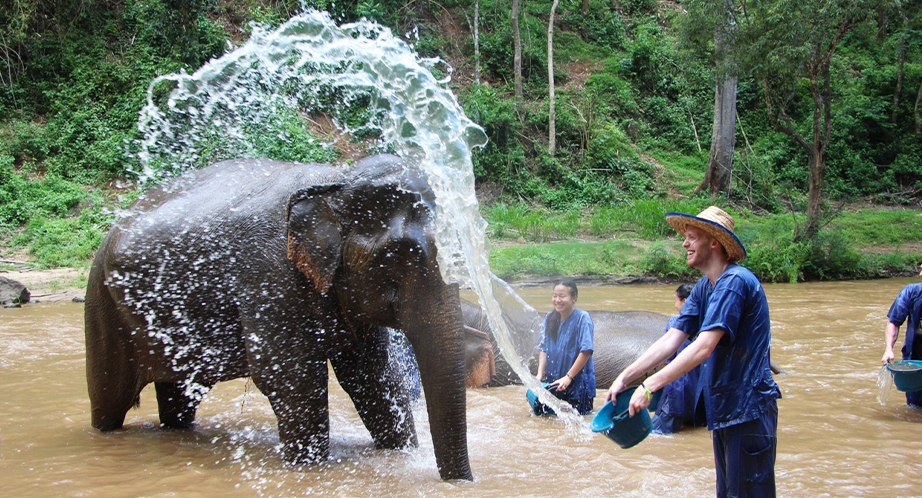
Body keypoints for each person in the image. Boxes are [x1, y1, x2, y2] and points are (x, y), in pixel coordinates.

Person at [605, 206, 781, 497]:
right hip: (725, 410)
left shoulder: (734, 282)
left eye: (691, 237)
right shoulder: (705, 287)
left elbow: (703, 347)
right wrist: (626, 377)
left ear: (714, 241)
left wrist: (649, 386)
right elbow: (672, 339)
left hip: (749, 410)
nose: (684, 244)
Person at [536, 280, 596, 415]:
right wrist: (539, 375)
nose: (557, 300)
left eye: (562, 296)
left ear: (574, 298)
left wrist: (569, 377)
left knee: (579, 423)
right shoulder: (550, 317)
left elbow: (586, 351)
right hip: (555, 384)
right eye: (554, 296)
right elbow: (543, 348)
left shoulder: (582, 318)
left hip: (578, 385)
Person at [651, 283, 704, 434]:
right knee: (694, 432)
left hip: (677, 389)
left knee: (656, 433)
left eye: (676, 300)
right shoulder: (707, 324)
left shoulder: (676, 322)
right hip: (700, 394)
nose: (675, 304)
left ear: (685, 301)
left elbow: (667, 355)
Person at [881, 263, 922, 408]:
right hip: (916, 362)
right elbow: (894, 322)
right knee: (915, 407)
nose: (920, 274)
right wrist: (889, 349)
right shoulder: (911, 292)